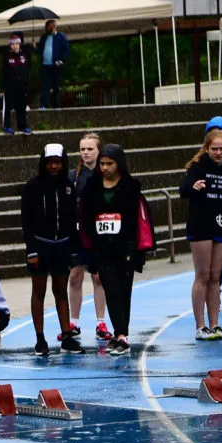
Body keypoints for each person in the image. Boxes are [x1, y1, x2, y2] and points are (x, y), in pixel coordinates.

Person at [80, 144, 144, 354]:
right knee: (111, 290)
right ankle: (120, 335)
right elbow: (86, 217)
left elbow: (135, 220)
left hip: (125, 247)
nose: (105, 168)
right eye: (102, 164)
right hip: (102, 248)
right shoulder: (92, 186)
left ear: (119, 164)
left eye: (110, 163)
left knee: (124, 291)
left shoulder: (130, 186)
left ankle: (121, 334)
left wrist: (135, 249)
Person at [181, 126, 222, 339]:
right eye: (214, 149)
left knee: (216, 276)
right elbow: (183, 190)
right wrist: (193, 186)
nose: (218, 153)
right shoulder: (197, 166)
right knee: (203, 275)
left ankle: (215, 324)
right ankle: (200, 326)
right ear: (206, 149)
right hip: (201, 226)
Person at [21, 142, 79, 355]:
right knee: (39, 291)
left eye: (58, 162)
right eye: (50, 162)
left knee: (61, 291)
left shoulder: (68, 187)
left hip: (62, 245)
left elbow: (73, 219)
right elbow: (26, 222)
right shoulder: (32, 187)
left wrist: (73, 248)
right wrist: (31, 250)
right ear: (43, 164)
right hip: (40, 245)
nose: (54, 166)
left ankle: (66, 336)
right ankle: (40, 339)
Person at [64, 132, 110, 347]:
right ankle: (73, 323)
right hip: (77, 234)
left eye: (90, 149)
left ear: (99, 150)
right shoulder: (73, 176)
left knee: (99, 277)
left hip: (100, 234)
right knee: (75, 276)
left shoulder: (107, 174)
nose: (85, 152)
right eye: (82, 149)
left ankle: (101, 323)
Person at [1, 33, 31, 134]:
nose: (15, 46)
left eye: (17, 44)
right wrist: (4, 86)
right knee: (8, 107)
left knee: (21, 107)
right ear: (10, 45)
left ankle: (23, 126)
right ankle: (7, 126)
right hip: (10, 86)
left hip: (21, 86)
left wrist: (26, 84)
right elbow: (4, 72)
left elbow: (26, 70)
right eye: (13, 44)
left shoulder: (24, 56)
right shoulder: (7, 57)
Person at [39, 19, 69, 109]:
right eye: (48, 27)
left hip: (56, 65)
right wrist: (35, 47)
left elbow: (66, 50)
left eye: (51, 26)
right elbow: (40, 50)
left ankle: (56, 106)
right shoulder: (44, 37)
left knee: (56, 86)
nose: (49, 28)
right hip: (46, 65)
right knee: (45, 86)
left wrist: (62, 60)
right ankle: (45, 105)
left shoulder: (61, 36)